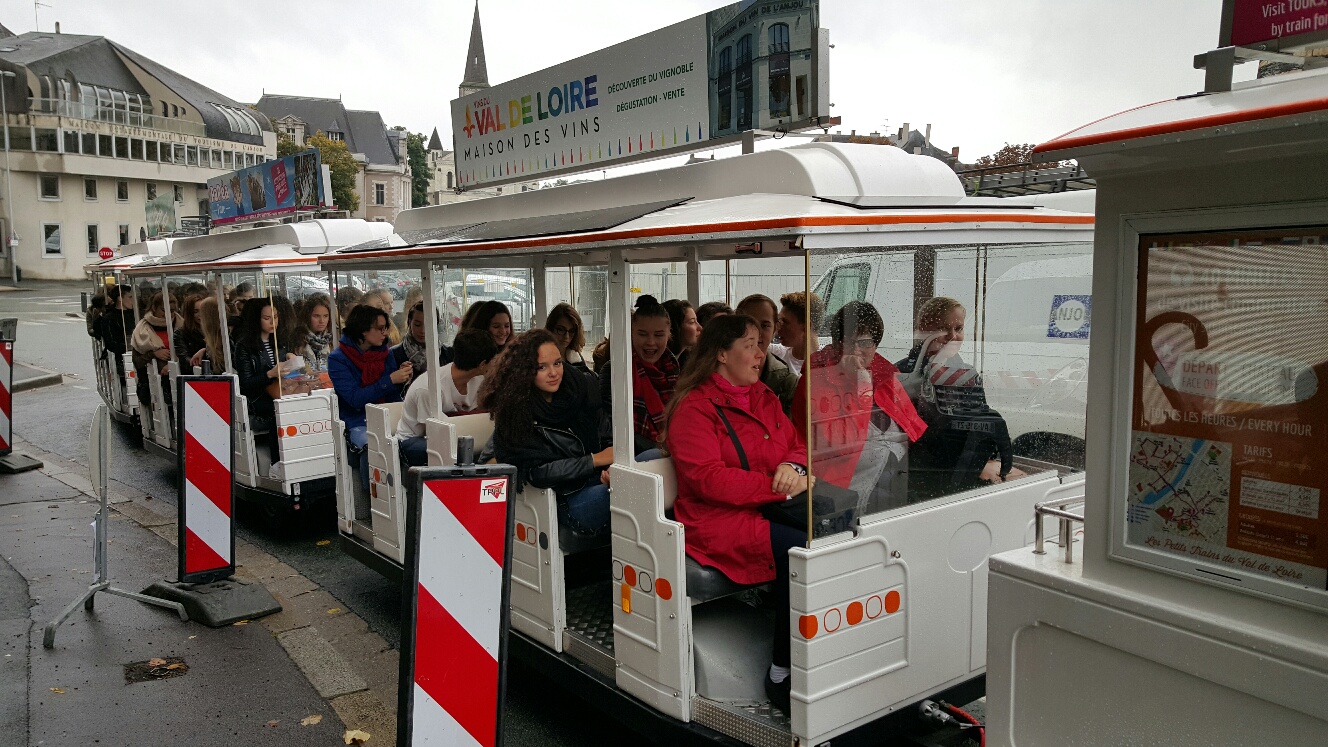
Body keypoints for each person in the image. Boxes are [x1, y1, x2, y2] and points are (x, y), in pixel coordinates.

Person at [661, 313, 810, 715]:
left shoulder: (762, 396)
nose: (761, 354)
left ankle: (818, 656)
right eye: (750, 346)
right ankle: (781, 672)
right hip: (715, 520)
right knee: (802, 551)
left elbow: (796, 443)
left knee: (835, 536)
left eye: (760, 345)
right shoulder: (695, 408)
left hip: (767, 505)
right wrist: (778, 487)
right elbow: (707, 480)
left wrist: (793, 467)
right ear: (722, 354)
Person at [793, 301, 927, 514]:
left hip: (891, 490)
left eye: (864, 342)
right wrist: (863, 387)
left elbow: (913, 430)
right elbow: (840, 446)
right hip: (839, 495)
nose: (856, 350)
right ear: (836, 344)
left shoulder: (883, 375)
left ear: (876, 344)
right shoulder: (816, 379)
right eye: (848, 341)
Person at [481, 329, 612, 536]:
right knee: (626, 493)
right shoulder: (516, 414)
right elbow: (537, 472)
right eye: (542, 367)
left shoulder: (579, 389)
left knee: (652, 459)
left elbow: (605, 434)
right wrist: (593, 461)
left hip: (598, 478)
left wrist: (611, 468)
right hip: (563, 498)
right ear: (524, 371)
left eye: (557, 363)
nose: (553, 373)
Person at [896, 297, 1020, 494]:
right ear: (923, 330)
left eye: (959, 328)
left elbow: (975, 425)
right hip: (918, 476)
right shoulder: (903, 374)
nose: (952, 336)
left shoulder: (967, 375)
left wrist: (988, 444)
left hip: (963, 475)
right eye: (943, 329)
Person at [329, 304, 412, 493]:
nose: (385, 333)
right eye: (380, 328)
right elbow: (354, 399)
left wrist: (402, 380)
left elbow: (392, 395)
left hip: (388, 416)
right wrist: (389, 380)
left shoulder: (385, 353)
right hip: (359, 421)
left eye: (386, 328)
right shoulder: (338, 359)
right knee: (373, 446)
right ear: (364, 330)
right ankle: (376, 496)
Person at [397, 328, 500, 467]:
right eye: (494, 360)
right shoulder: (428, 388)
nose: (495, 364)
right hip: (414, 441)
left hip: (459, 436)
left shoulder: (480, 380)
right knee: (458, 451)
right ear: (482, 364)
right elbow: (435, 433)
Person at [598, 295, 679, 457]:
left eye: (658, 335)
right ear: (631, 334)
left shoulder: (674, 369)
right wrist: (663, 448)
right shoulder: (615, 370)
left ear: (668, 335)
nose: (651, 342)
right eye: (642, 334)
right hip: (633, 457)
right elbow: (611, 429)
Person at [233, 297, 310, 464]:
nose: (272, 322)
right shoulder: (244, 346)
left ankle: (301, 456)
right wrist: (269, 374)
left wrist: (292, 361)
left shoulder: (280, 342)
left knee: (304, 405)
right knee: (282, 412)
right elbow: (246, 383)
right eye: (267, 318)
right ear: (256, 320)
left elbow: (287, 370)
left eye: (275, 317)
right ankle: (278, 461)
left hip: (280, 392)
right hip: (259, 399)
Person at [734, 294, 798, 416]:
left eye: (765, 326)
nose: (757, 332)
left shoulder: (786, 382)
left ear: (775, 329)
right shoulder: (721, 372)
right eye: (750, 324)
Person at [130, 291, 172, 409]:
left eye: (172, 311)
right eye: (163, 310)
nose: (168, 314)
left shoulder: (179, 325)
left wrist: (172, 365)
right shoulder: (142, 330)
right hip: (149, 382)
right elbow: (137, 361)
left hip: (174, 377)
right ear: (154, 308)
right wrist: (154, 354)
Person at [767, 291, 824, 377]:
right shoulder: (773, 353)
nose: (778, 327)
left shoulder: (829, 363)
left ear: (806, 327)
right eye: (779, 321)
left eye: (784, 322)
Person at [546, 302, 593, 375]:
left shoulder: (576, 357)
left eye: (571, 331)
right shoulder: (541, 357)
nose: (566, 336)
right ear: (550, 328)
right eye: (561, 330)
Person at [391, 301, 429, 386]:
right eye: (417, 325)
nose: (422, 331)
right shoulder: (393, 354)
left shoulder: (448, 353)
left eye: (428, 325)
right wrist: (399, 380)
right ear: (409, 323)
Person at [295, 293, 334, 372]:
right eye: (316, 316)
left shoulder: (332, 340)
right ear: (308, 316)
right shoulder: (298, 339)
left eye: (325, 316)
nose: (321, 321)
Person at [172, 291, 209, 370]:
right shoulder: (180, 333)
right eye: (196, 311)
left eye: (203, 310)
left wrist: (205, 351)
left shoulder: (214, 330)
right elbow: (184, 359)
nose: (200, 314)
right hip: (195, 372)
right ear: (189, 313)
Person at [190, 296, 228, 372]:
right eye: (196, 311)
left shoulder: (228, 336)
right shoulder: (214, 339)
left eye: (202, 313)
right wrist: (205, 350)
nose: (200, 316)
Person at [663, 298, 702, 369]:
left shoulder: (686, 361)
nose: (700, 327)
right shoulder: (661, 365)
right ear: (675, 327)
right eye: (692, 322)